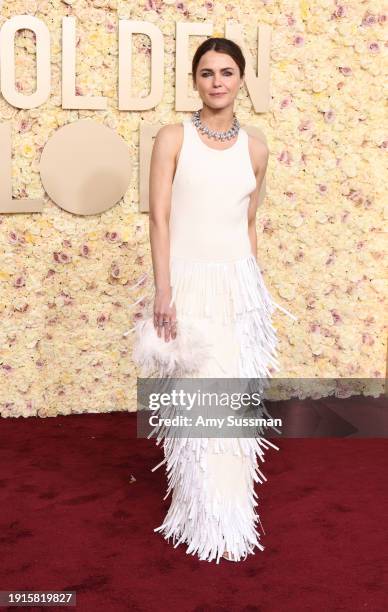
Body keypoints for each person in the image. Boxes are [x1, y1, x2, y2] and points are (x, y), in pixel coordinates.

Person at [132, 37, 297, 563]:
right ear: (196, 81)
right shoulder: (172, 138)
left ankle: (233, 513)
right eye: (207, 73)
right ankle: (198, 515)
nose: (218, 81)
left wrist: (254, 293)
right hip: (187, 285)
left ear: (242, 79)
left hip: (236, 288)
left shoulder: (256, 147)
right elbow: (159, 218)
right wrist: (164, 290)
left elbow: (248, 223)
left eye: (227, 72)